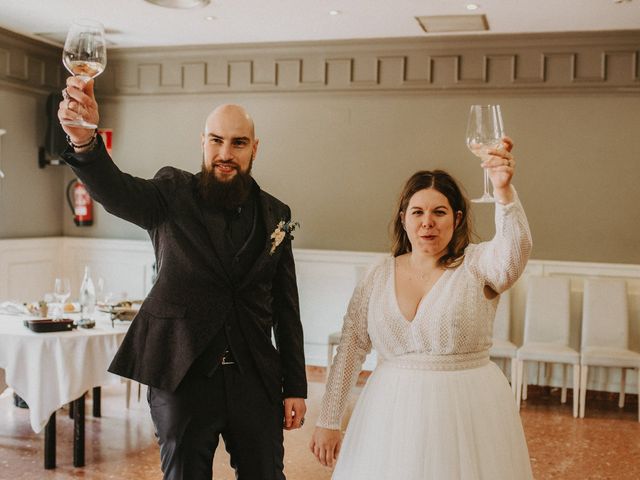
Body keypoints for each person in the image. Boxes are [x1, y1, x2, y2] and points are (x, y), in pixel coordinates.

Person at [58, 76, 307, 480]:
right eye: (216, 140)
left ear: (254, 148)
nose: (225, 153)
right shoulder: (171, 193)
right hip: (183, 375)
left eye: (238, 143)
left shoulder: (276, 214)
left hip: (254, 380)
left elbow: (286, 307)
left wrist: (294, 384)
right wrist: (85, 142)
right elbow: (117, 191)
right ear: (203, 142)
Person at [310, 140, 534, 479]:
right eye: (418, 212)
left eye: (439, 212)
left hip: (466, 412)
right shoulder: (378, 273)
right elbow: (352, 346)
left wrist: (503, 192)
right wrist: (329, 419)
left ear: (457, 219)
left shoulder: (478, 264)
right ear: (403, 219)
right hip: (389, 414)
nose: (427, 222)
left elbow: (514, 255)